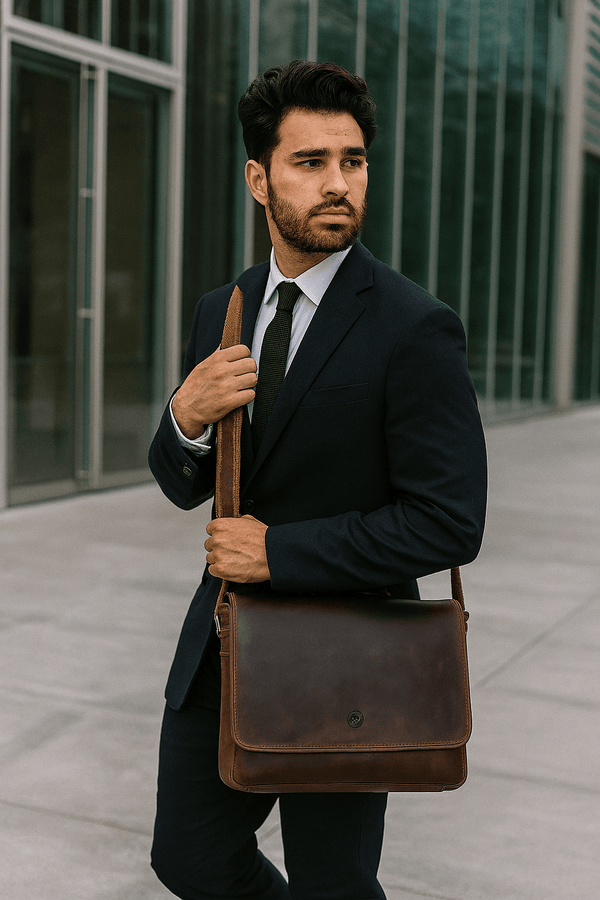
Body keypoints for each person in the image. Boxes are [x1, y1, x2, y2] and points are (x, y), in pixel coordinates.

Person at [148, 59, 487, 900]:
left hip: (349, 659)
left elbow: (449, 523)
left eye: (354, 160)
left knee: (332, 882)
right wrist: (184, 418)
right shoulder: (219, 309)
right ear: (260, 180)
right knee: (186, 857)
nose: (339, 183)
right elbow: (184, 482)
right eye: (312, 163)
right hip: (223, 647)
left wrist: (279, 552)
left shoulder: (415, 327)